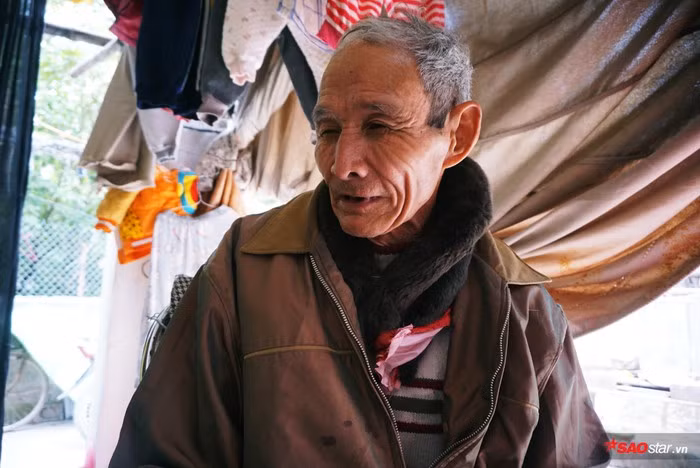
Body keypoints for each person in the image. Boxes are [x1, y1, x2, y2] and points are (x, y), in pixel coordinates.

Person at [110, 16, 610, 468]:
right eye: (328, 129)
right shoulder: (245, 266)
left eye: (380, 126)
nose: (342, 164)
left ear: (457, 135)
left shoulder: (523, 307)